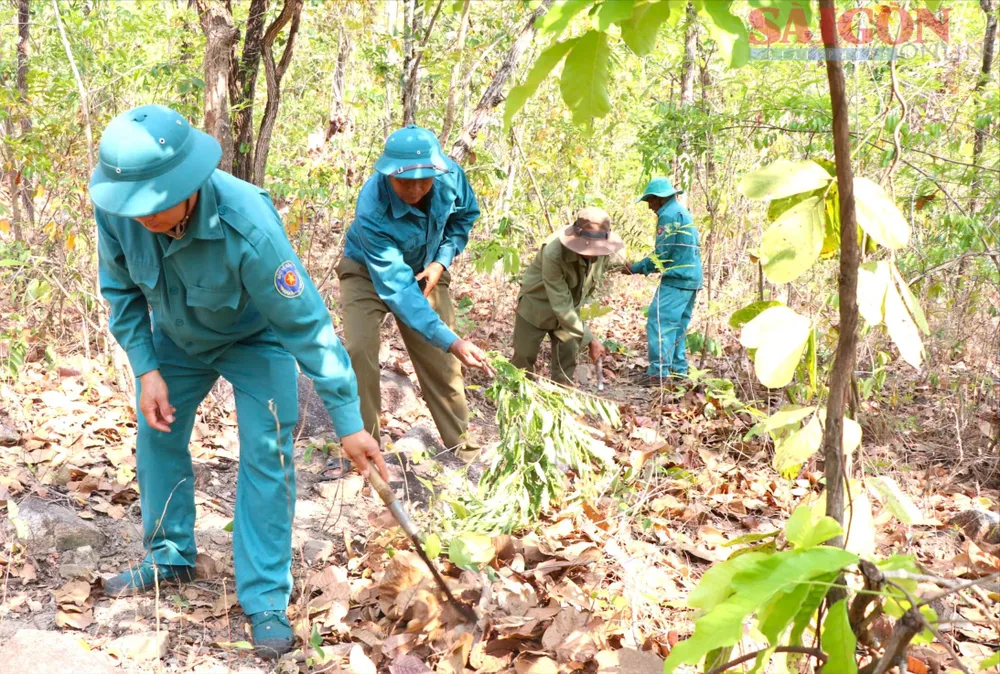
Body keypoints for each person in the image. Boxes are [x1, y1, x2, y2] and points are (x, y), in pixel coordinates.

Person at [90, 104, 387, 658]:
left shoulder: (247, 222)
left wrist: (349, 423)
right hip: (175, 339)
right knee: (156, 430)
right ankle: (170, 556)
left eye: (154, 204)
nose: (142, 216)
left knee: (268, 450)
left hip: (255, 338)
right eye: (133, 205)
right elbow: (121, 292)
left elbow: (309, 328)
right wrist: (146, 369)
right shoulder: (118, 206)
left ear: (187, 183)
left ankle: (266, 597)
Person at [337, 125, 492, 466]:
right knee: (359, 350)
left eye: (424, 180)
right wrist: (453, 340)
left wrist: (441, 261)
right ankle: (365, 452)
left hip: (426, 268)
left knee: (443, 361)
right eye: (405, 181)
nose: (416, 188)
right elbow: (399, 290)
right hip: (366, 271)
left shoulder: (450, 176)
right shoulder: (372, 209)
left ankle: (464, 453)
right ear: (389, 173)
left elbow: (465, 216)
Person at [512, 207, 623, 386]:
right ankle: (518, 395)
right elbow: (561, 305)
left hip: (570, 310)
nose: (592, 254)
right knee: (523, 360)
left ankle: (561, 395)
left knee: (567, 361)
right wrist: (591, 340)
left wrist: (640, 267)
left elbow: (615, 264)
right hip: (537, 305)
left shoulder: (604, 250)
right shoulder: (554, 252)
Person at [627, 177, 703, 384]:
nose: (650, 206)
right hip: (692, 278)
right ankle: (679, 372)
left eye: (650, 200)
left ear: (660, 199)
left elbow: (662, 255)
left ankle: (658, 374)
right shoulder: (681, 212)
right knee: (677, 326)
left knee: (659, 322)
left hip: (677, 279)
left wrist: (636, 267)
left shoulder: (668, 216)